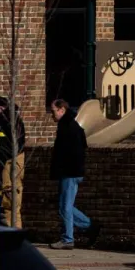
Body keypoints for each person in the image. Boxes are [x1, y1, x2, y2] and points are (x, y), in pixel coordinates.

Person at [47, 97, 92, 250]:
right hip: (71, 172)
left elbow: (66, 153)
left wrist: (62, 169)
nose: (51, 115)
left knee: (65, 206)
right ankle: (89, 225)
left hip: (70, 172)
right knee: (64, 206)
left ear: (62, 110)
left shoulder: (68, 127)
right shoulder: (71, 126)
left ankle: (68, 239)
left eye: (53, 111)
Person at [0, 96, 26, 226]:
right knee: (10, 205)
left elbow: (9, 149)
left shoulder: (7, 125)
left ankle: (14, 239)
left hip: (6, 169)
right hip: (1, 171)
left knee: (10, 205)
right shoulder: (13, 124)